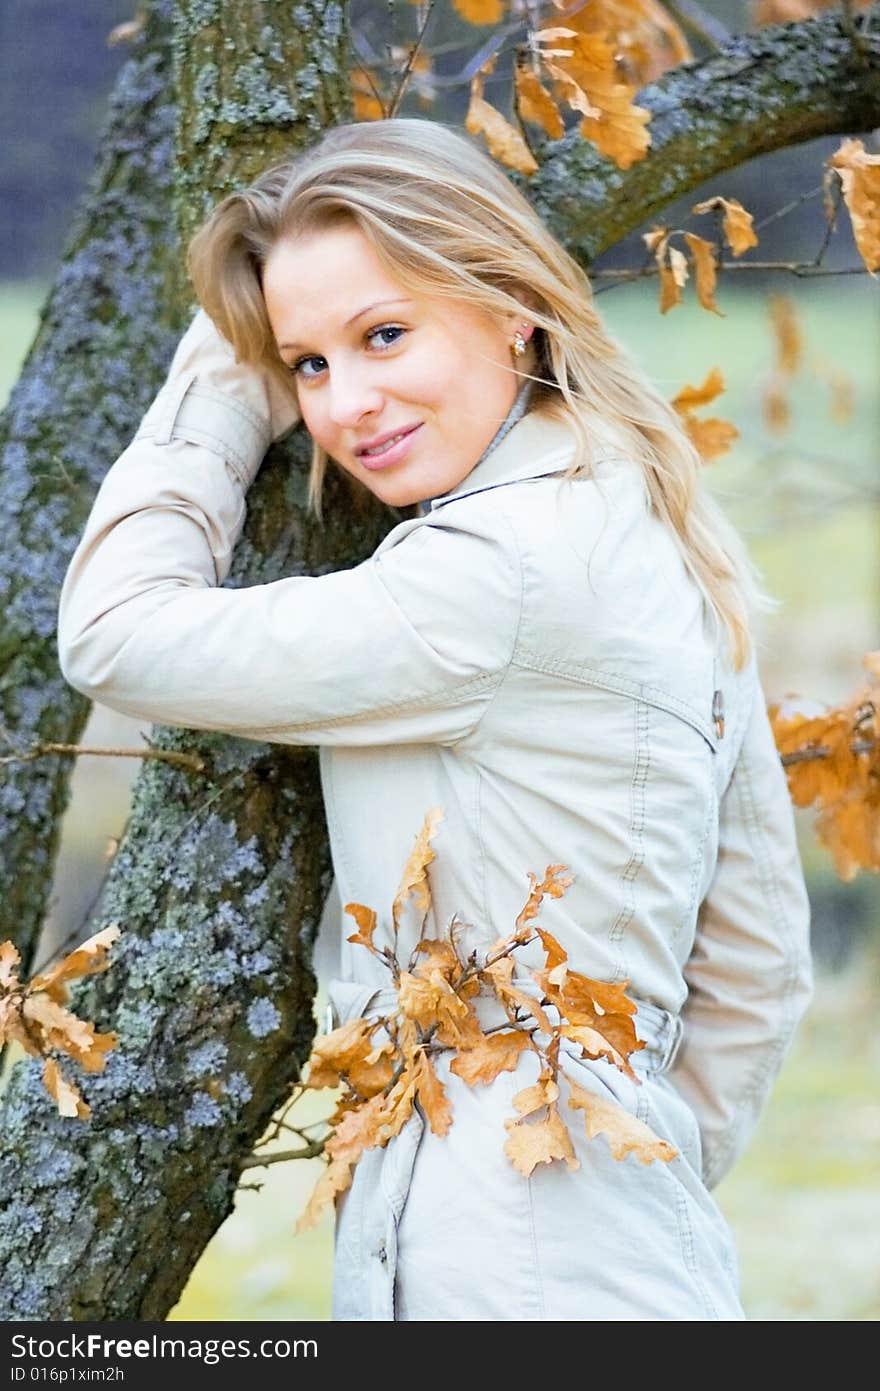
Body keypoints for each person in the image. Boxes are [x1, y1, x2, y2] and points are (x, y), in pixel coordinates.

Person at [56, 117, 813, 1321]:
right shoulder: (642, 517)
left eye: (384, 334)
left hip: (517, 1259)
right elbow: (759, 961)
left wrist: (217, 371)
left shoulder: (494, 574)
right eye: (302, 365)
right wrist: (620, 1181)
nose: (345, 404)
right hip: (611, 1244)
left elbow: (114, 630)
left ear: (508, 302)